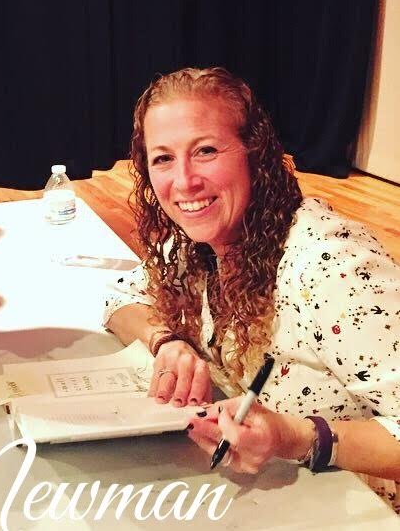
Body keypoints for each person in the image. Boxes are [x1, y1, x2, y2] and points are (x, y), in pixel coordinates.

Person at [103, 67, 400, 512]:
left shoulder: (333, 267)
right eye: (162, 158)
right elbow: (118, 298)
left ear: (254, 153)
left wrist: (296, 436)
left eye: (205, 150)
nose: (184, 182)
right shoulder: (193, 244)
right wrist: (166, 342)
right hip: (262, 498)